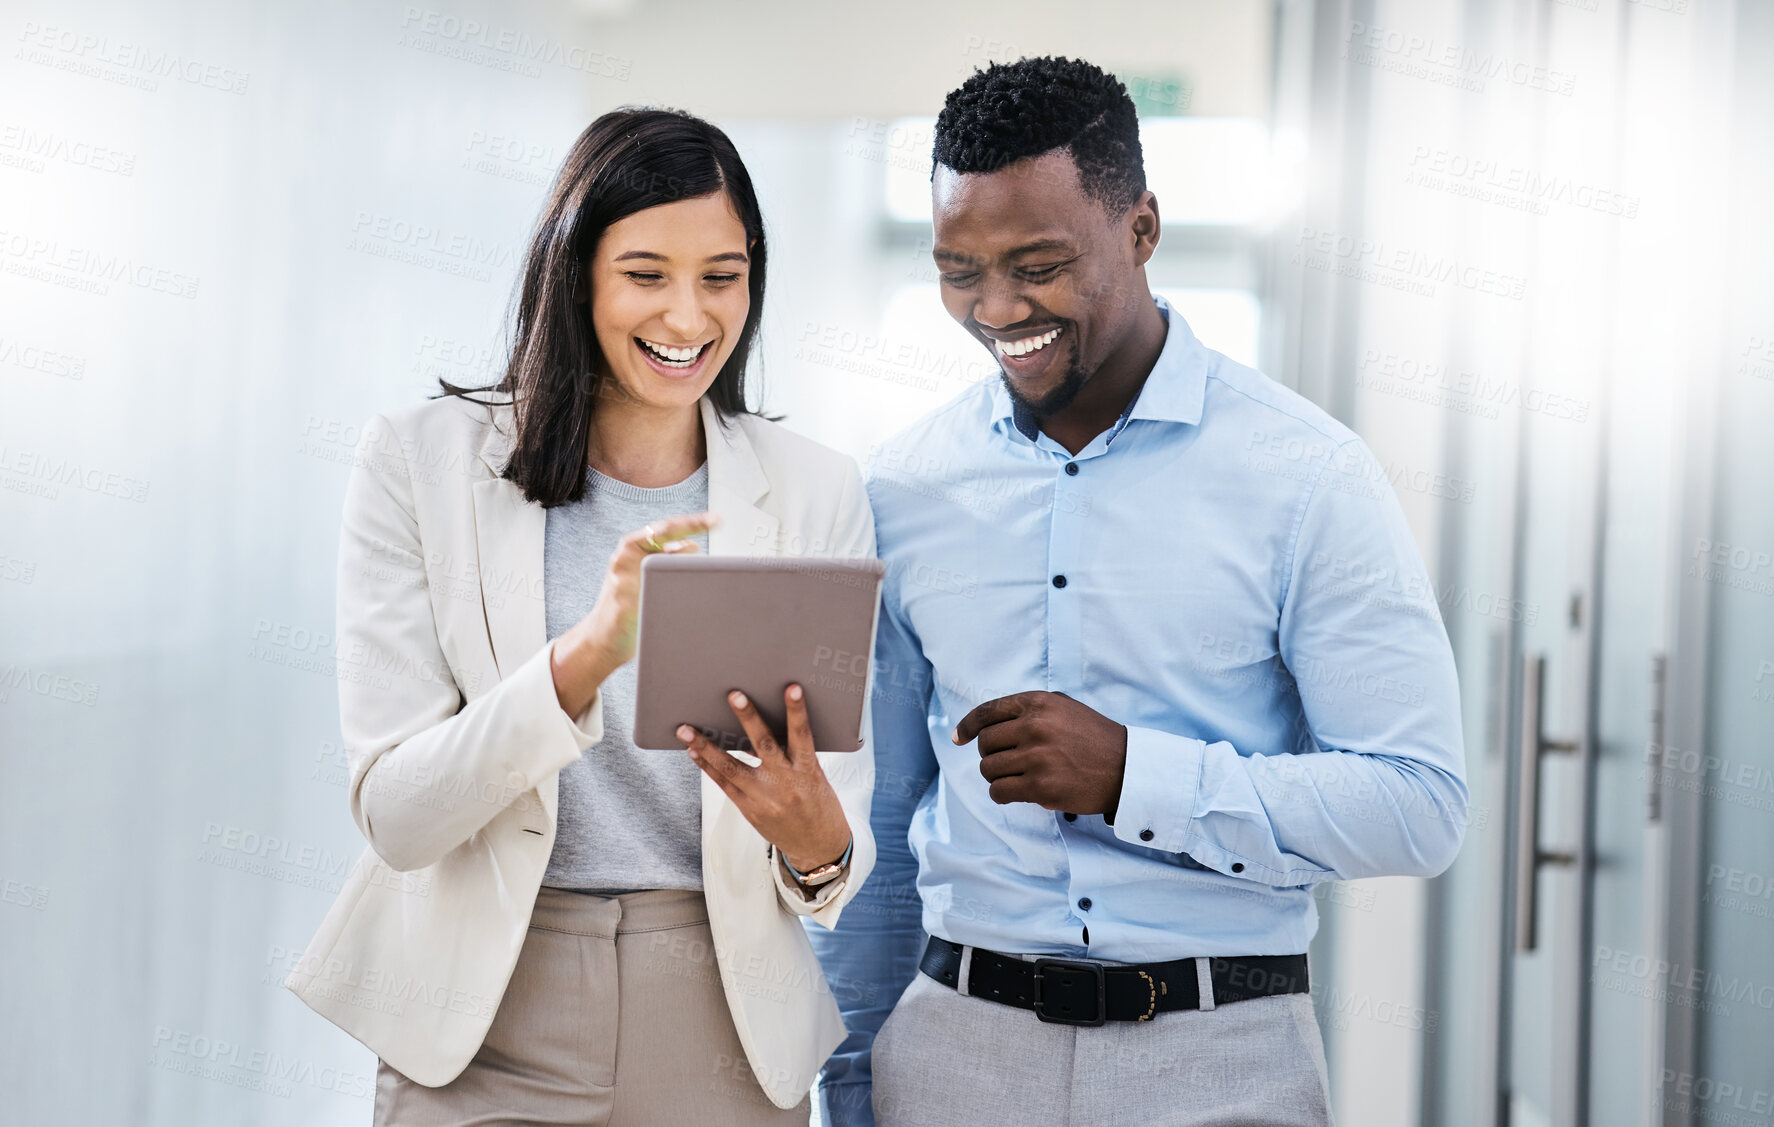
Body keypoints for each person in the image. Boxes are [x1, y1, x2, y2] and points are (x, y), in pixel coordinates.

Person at [809, 57, 1469, 1127]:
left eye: (1037, 263)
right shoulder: (900, 487)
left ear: (1142, 228)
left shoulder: (1308, 475)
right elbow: (876, 820)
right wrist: (847, 1082)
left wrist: (1133, 776)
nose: (995, 307)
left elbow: (1418, 802)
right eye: (958, 269)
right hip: (953, 1054)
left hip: (1223, 1058)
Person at [284, 107, 876, 1126]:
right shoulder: (419, 462)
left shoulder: (815, 489)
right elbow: (395, 812)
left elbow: (831, 850)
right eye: (646, 273)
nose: (689, 315)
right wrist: (581, 659)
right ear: (574, 273)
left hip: (722, 1005)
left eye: (721, 276)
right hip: (483, 1008)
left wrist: (816, 841)